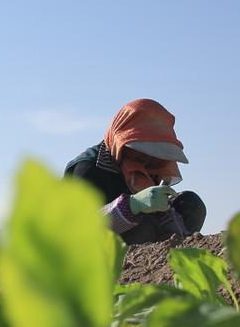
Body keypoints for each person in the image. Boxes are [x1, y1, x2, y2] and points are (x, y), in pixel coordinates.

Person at [64, 99, 205, 244]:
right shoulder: (89, 169)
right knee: (143, 225)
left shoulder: (152, 164)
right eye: (141, 150)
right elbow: (78, 228)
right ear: (121, 141)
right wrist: (131, 206)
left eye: (156, 153)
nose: (148, 158)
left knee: (190, 204)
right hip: (96, 248)